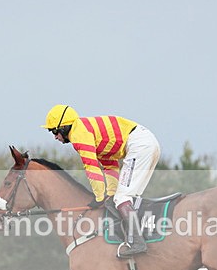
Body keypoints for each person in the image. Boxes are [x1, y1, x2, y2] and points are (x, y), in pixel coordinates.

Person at [41, 104, 161, 257]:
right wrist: (109, 194)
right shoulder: (88, 132)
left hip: (139, 145)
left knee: (122, 198)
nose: (55, 137)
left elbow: (91, 167)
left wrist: (99, 198)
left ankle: (137, 242)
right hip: (147, 143)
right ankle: (141, 234)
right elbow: (109, 164)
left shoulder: (79, 135)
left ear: (64, 127)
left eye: (54, 131)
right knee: (125, 198)